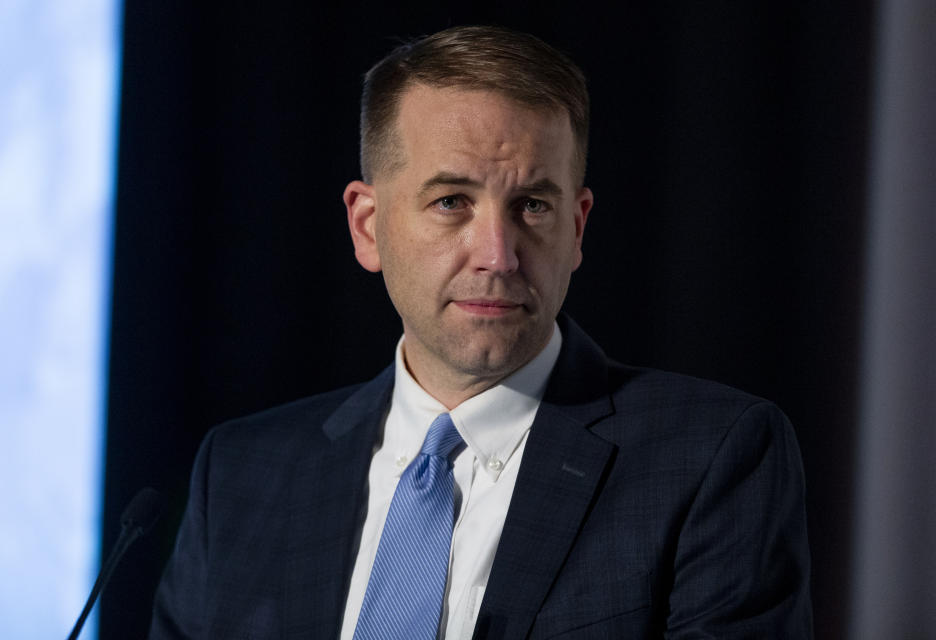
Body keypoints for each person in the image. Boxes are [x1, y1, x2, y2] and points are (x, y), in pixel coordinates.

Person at [149, 25, 812, 639]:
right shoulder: (243, 473)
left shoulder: (711, 457)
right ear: (366, 225)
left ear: (576, 229)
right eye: (451, 202)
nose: (498, 254)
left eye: (532, 205)